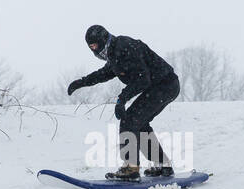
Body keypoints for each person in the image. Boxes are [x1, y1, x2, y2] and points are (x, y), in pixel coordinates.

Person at [67, 24, 181, 180]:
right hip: (163, 86)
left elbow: (143, 79)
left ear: (103, 40)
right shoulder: (114, 53)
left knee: (129, 120)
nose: (93, 50)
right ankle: (163, 165)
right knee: (139, 123)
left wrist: (122, 99)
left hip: (165, 85)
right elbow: (104, 73)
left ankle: (130, 169)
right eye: (90, 47)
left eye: (94, 45)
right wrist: (81, 82)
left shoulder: (124, 48)